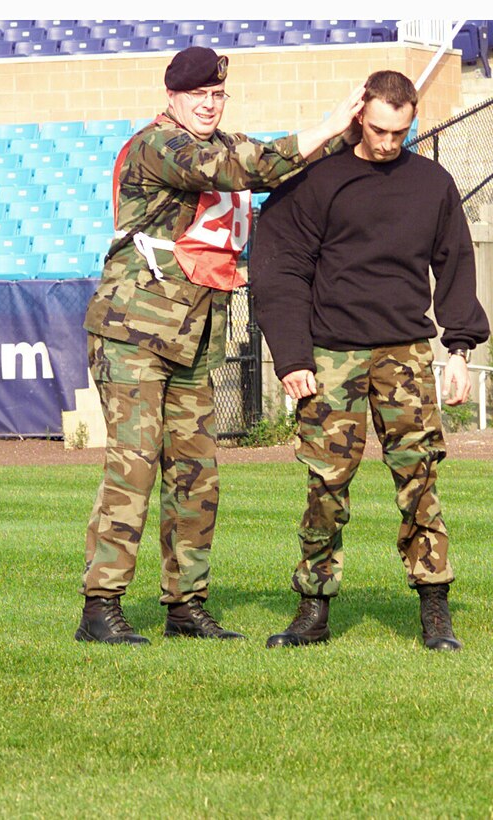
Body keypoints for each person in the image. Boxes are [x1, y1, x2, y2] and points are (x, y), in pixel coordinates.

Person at [75, 46, 365, 645]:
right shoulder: (161, 146)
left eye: (217, 95)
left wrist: (355, 130)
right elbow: (245, 169)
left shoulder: (220, 142)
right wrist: (331, 123)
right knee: (132, 467)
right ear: (173, 98)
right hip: (134, 332)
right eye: (198, 96)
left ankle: (186, 606)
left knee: (197, 476)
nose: (209, 105)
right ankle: (101, 608)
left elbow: (280, 166)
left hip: (193, 336)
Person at [250, 70, 490, 651]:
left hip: (406, 353)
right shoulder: (316, 180)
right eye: (380, 130)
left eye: (401, 132)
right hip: (331, 354)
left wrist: (458, 349)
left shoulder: (432, 184)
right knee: (326, 484)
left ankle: (435, 609)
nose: (389, 143)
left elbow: (456, 267)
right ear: (360, 115)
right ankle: (313, 609)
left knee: (419, 479)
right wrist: (291, 357)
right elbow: (278, 271)